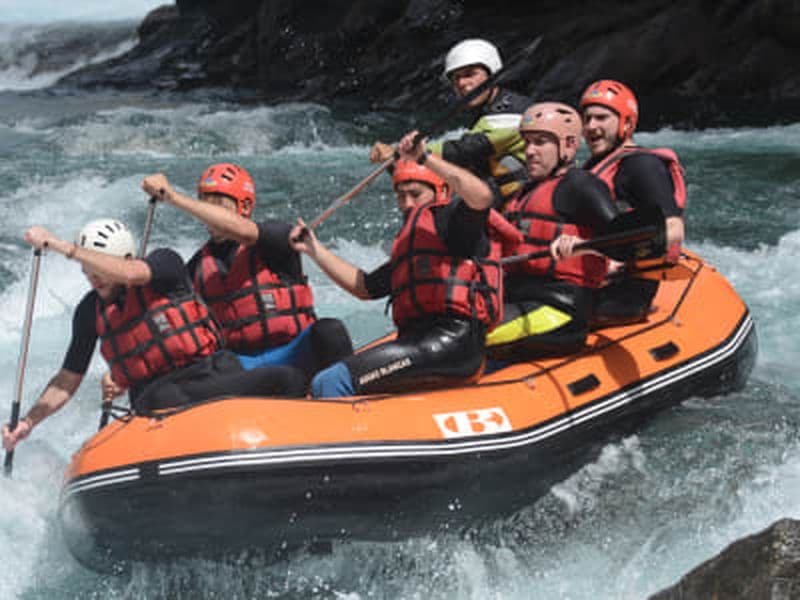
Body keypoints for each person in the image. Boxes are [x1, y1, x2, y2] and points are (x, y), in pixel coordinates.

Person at [3, 218, 305, 452]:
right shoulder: (89, 311)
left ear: (123, 259)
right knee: (162, 397)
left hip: (214, 374)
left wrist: (59, 245)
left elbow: (133, 274)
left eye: (97, 266)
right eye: (86, 268)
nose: (91, 275)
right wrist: (29, 422)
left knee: (285, 378)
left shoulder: (165, 266)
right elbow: (67, 380)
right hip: (158, 400)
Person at [292, 131, 521, 398]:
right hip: (418, 342)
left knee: (331, 382)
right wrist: (314, 249)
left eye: (415, 194)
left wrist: (425, 157)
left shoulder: (454, 221)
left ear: (442, 191)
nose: (407, 204)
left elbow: (482, 197)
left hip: (451, 343)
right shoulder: (413, 242)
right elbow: (364, 287)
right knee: (326, 381)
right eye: (401, 196)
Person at [141, 163, 353, 383]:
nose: (209, 214)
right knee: (207, 364)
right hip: (240, 367)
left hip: (293, 351)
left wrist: (173, 197)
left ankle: (350, 400)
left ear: (244, 206)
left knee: (329, 330)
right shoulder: (195, 267)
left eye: (218, 205)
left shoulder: (276, 237)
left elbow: (245, 231)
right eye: (205, 204)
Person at [486, 102, 620, 360]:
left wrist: (585, 244)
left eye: (540, 142)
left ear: (568, 145)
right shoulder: (521, 193)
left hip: (559, 309)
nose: (530, 152)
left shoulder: (580, 185)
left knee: (465, 336)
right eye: (526, 143)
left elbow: (626, 241)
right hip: (515, 299)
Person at [370, 39, 531, 208]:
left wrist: (406, 151)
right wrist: (399, 161)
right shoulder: (482, 113)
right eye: (456, 78)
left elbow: (469, 149)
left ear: (491, 74)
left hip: (518, 208)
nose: (461, 83)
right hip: (493, 205)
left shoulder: (516, 110)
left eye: (470, 74)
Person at [579, 79, 686, 323]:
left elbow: (673, 230)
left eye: (601, 118)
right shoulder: (593, 166)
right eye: (586, 119)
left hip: (625, 289)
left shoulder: (642, 166)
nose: (591, 126)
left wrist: (616, 254)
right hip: (588, 277)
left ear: (626, 122)